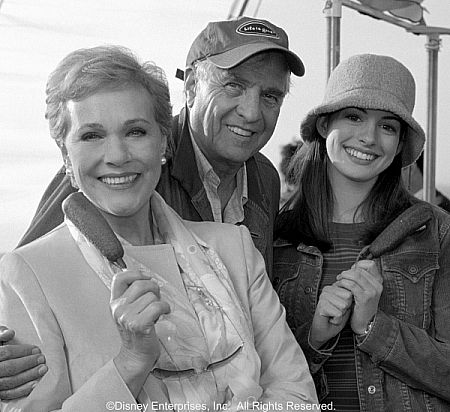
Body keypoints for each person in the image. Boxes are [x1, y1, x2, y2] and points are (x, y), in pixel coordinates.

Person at [0, 16, 305, 399]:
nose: (251, 111)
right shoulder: (114, 171)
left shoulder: (263, 177)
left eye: (271, 96)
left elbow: (271, 343)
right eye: (233, 85)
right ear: (192, 86)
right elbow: (32, 279)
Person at [272, 54, 450, 411]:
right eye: (354, 117)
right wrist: (316, 335)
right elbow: (257, 378)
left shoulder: (436, 231)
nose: (368, 138)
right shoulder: (274, 237)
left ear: (400, 145)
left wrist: (373, 326)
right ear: (324, 126)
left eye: (387, 126)